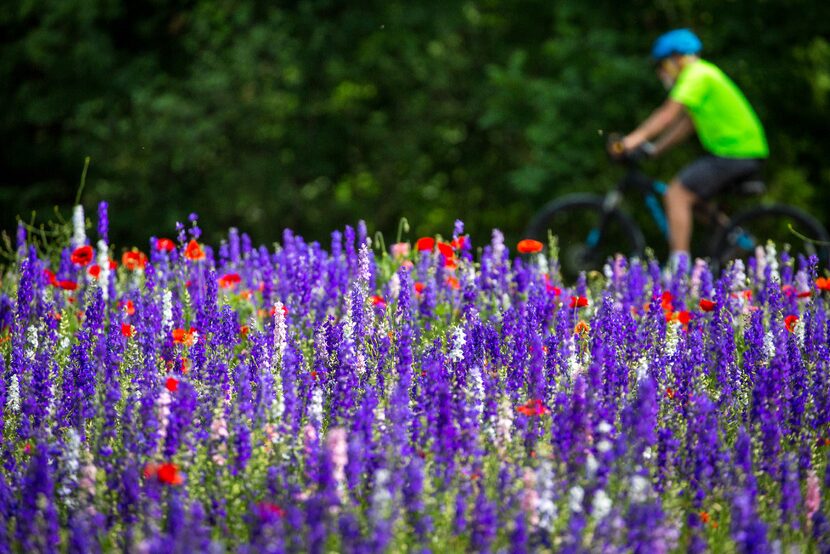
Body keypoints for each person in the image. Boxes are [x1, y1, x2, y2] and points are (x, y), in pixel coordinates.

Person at [615, 28, 769, 267]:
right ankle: (737, 238)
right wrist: (654, 148)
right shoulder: (704, 74)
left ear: (677, 59)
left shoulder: (697, 75)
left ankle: (680, 270)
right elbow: (687, 123)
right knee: (692, 200)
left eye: (663, 65)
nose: (662, 72)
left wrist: (629, 141)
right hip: (742, 152)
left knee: (676, 194)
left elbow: (667, 115)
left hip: (735, 152)